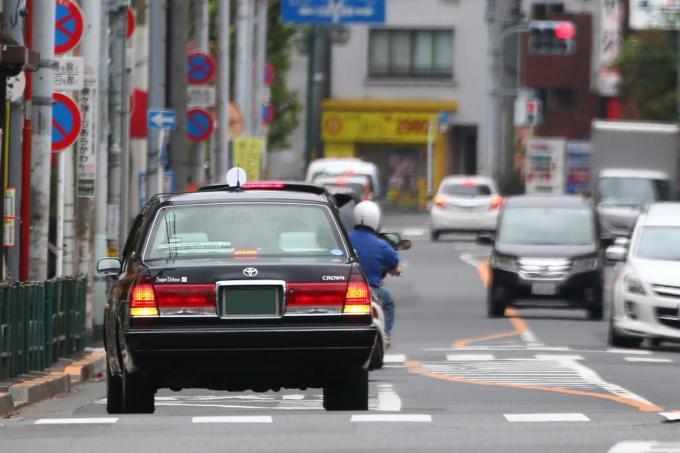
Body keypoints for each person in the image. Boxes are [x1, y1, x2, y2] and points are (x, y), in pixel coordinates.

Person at [348, 201, 401, 344]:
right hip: (370, 290)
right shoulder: (379, 243)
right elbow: (394, 260)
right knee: (388, 301)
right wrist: (395, 270)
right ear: (375, 219)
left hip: (346, 290)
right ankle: (386, 336)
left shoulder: (344, 238)